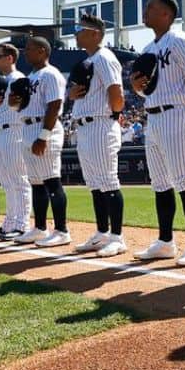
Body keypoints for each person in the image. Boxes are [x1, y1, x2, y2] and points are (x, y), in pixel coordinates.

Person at [131, 0, 185, 267]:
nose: (145, 11)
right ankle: (165, 242)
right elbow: (144, 89)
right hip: (153, 117)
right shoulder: (148, 49)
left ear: (166, 14)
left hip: (177, 114)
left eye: (150, 7)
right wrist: (137, 90)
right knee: (161, 185)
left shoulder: (180, 40)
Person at [67, 13, 130, 257]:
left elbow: (116, 93)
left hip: (101, 125)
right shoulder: (90, 59)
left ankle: (117, 237)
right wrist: (72, 96)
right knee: (95, 184)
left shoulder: (104, 57)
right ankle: (102, 232)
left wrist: (113, 115)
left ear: (95, 33)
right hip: (86, 126)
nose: (76, 33)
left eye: (80, 29)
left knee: (108, 182)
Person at [15, 36, 71, 247]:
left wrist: (43, 136)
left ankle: (62, 230)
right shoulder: (31, 76)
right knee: (37, 183)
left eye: (29, 49)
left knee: (51, 181)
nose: (25, 52)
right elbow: (25, 106)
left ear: (42, 51)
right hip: (28, 127)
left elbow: (55, 105)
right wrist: (14, 104)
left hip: (43, 129)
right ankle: (40, 228)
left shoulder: (50, 74)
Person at [0, 43, 32, 240]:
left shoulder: (19, 79)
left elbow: (22, 107)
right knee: (6, 182)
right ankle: (10, 223)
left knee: (18, 180)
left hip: (15, 130)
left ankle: (21, 224)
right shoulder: (0, 81)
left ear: (10, 58)